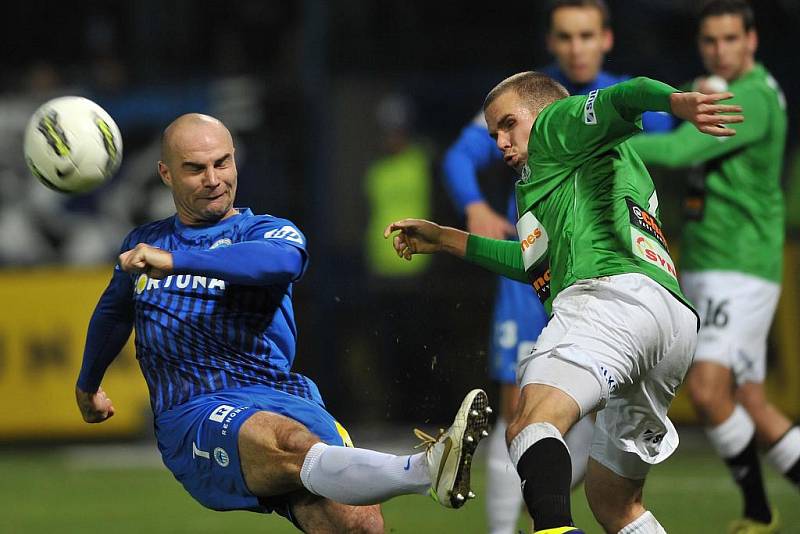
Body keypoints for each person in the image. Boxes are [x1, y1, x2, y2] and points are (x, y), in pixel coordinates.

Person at [74, 113, 491, 532]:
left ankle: (423, 472)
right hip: (194, 408)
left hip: (284, 394)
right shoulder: (143, 245)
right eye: (196, 169)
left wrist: (177, 261)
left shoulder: (267, 232)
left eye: (222, 163)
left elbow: (280, 261)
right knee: (290, 444)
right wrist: (88, 385)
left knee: (360, 525)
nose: (213, 179)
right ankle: (425, 470)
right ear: (165, 173)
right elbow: (114, 310)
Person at [386, 73, 743, 532]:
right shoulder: (560, 174)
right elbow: (537, 264)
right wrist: (449, 239)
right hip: (669, 319)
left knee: (531, 421)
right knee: (614, 501)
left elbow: (626, 94)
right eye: (494, 131)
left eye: (509, 124)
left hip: (611, 299)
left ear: (541, 112)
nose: (500, 140)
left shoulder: (556, 126)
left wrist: (675, 104)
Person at [441, 3, 673, 529]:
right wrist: (472, 208)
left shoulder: (563, 111)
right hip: (555, 273)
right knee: (600, 486)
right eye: (566, 36)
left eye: (586, 35)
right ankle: (520, 519)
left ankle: (542, 517)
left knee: (534, 419)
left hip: (601, 282)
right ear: (553, 41)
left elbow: (652, 119)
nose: (577, 47)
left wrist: (683, 106)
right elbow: (460, 155)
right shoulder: (520, 101)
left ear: (605, 39)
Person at [629, 1, 797, 531]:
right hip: (710, 260)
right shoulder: (721, 89)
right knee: (749, 400)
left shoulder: (749, 99)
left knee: (705, 390)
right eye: (710, 41)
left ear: (752, 40)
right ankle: (759, 511)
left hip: (739, 265)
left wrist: (604, 141)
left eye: (729, 39)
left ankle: (755, 510)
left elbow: (678, 152)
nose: (719, 50)